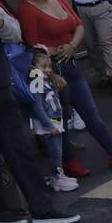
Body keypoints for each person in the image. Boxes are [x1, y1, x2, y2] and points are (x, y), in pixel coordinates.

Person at [14, 0, 112, 175]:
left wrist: (72, 45)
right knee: (58, 119)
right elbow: (33, 46)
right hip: (51, 71)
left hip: (71, 64)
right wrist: (52, 69)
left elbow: (78, 24)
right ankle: (68, 162)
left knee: (91, 114)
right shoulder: (27, 10)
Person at [0, 0, 79, 223]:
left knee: (20, 149)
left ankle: (41, 208)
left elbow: (15, 35)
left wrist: (0, 24)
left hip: (2, 87)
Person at [24, 48, 76, 191]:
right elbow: (37, 107)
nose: (48, 70)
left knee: (58, 150)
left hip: (55, 119)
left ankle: (59, 175)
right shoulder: (36, 82)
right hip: (48, 122)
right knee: (55, 151)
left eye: (49, 66)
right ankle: (57, 177)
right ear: (33, 67)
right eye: (44, 67)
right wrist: (48, 125)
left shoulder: (43, 80)